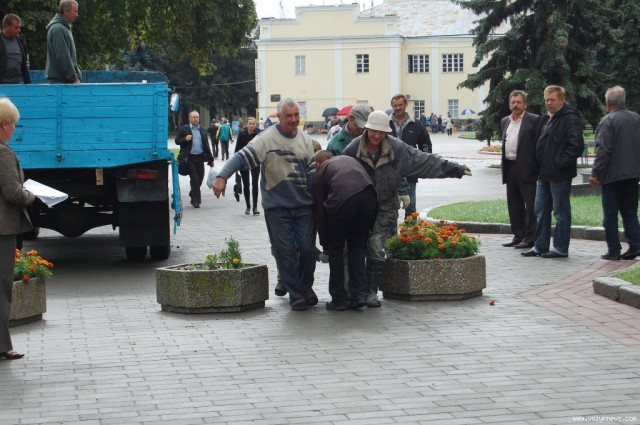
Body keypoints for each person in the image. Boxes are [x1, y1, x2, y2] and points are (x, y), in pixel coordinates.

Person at [342, 110, 471, 307]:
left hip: (385, 207)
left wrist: (455, 169)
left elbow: (424, 160)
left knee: (376, 248)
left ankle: (371, 293)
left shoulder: (398, 149)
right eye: (373, 131)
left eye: (381, 132)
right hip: (359, 208)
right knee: (356, 248)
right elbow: (339, 174)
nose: (376, 135)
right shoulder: (353, 149)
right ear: (366, 129)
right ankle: (353, 292)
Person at [212, 98, 317, 311]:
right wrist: (222, 176)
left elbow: (312, 173)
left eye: (296, 115)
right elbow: (241, 157)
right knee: (285, 251)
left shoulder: (305, 139)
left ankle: (306, 286)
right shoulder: (266, 139)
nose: (294, 119)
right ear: (279, 117)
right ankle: (296, 294)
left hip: (303, 206)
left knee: (307, 249)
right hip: (277, 207)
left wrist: (318, 201)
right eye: (289, 115)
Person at [522, 85, 584, 259]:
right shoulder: (545, 118)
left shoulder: (570, 118)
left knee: (560, 212)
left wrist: (560, 163)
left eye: (552, 100)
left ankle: (560, 248)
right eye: (547, 100)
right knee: (540, 209)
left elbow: (575, 146)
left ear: (562, 100)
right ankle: (540, 245)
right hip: (543, 173)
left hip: (560, 174)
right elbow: (538, 142)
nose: (549, 103)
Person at [314, 150, 377, 311]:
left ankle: (339, 299)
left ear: (317, 165)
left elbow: (321, 211)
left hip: (343, 201)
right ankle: (360, 295)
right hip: (369, 198)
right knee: (358, 247)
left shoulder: (322, 171)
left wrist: (325, 244)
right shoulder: (348, 159)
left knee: (336, 249)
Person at [0, 98, 36, 360]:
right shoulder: (3, 153)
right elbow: (13, 193)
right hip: (2, 229)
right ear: (4, 124)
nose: (14, 129)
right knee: (2, 286)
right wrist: (31, 195)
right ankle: (3, 345)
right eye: (13, 124)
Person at [588, 86, 640, 261]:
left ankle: (614, 250)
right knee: (630, 212)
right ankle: (635, 244)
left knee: (610, 215)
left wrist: (595, 173)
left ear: (607, 102)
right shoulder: (636, 118)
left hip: (612, 176)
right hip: (632, 175)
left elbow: (604, 150)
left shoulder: (608, 120)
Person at [500, 90, 540, 249]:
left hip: (527, 168)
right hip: (510, 167)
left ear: (525, 104)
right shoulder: (505, 121)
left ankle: (530, 237)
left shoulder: (534, 120)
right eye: (513, 102)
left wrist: (535, 166)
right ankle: (518, 235)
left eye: (518, 102)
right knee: (514, 203)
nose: (515, 105)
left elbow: (538, 144)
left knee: (530, 205)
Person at [389, 94, 432, 218]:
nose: (398, 108)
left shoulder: (416, 124)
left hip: (409, 171)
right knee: (391, 206)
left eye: (400, 105)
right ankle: (392, 231)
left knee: (411, 205)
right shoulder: (386, 124)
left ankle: (411, 230)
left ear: (406, 105)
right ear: (392, 106)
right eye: (395, 105)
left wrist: (424, 162)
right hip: (389, 171)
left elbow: (425, 144)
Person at [175, 110, 213, 208]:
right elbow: (177, 141)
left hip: (200, 157)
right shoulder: (184, 129)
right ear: (190, 119)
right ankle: (196, 201)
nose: (196, 119)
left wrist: (210, 158)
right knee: (195, 179)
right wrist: (185, 139)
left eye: (197, 117)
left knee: (200, 178)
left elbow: (206, 145)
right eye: (194, 117)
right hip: (189, 158)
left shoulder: (202, 129)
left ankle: (193, 192)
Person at [45, 0, 81, 84]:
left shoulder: (64, 28)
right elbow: (63, 57)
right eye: (75, 11)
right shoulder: (59, 29)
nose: (77, 15)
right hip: (60, 82)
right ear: (65, 12)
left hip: (63, 79)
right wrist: (73, 79)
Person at [235, 117, 261, 215]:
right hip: (244, 162)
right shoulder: (242, 134)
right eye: (250, 123)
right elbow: (237, 149)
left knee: (255, 184)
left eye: (253, 123)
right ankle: (248, 206)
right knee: (246, 184)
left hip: (255, 161)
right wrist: (236, 164)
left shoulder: (259, 134)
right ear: (247, 124)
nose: (252, 125)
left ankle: (255, 207)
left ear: (255, 124)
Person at [0, 14, 31, 84]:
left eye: (19, 27)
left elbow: (26, 60)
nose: (19, 30)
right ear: (6, 26)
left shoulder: (21, 40)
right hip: (2, 84)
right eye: (16, 27)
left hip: (19, 82)